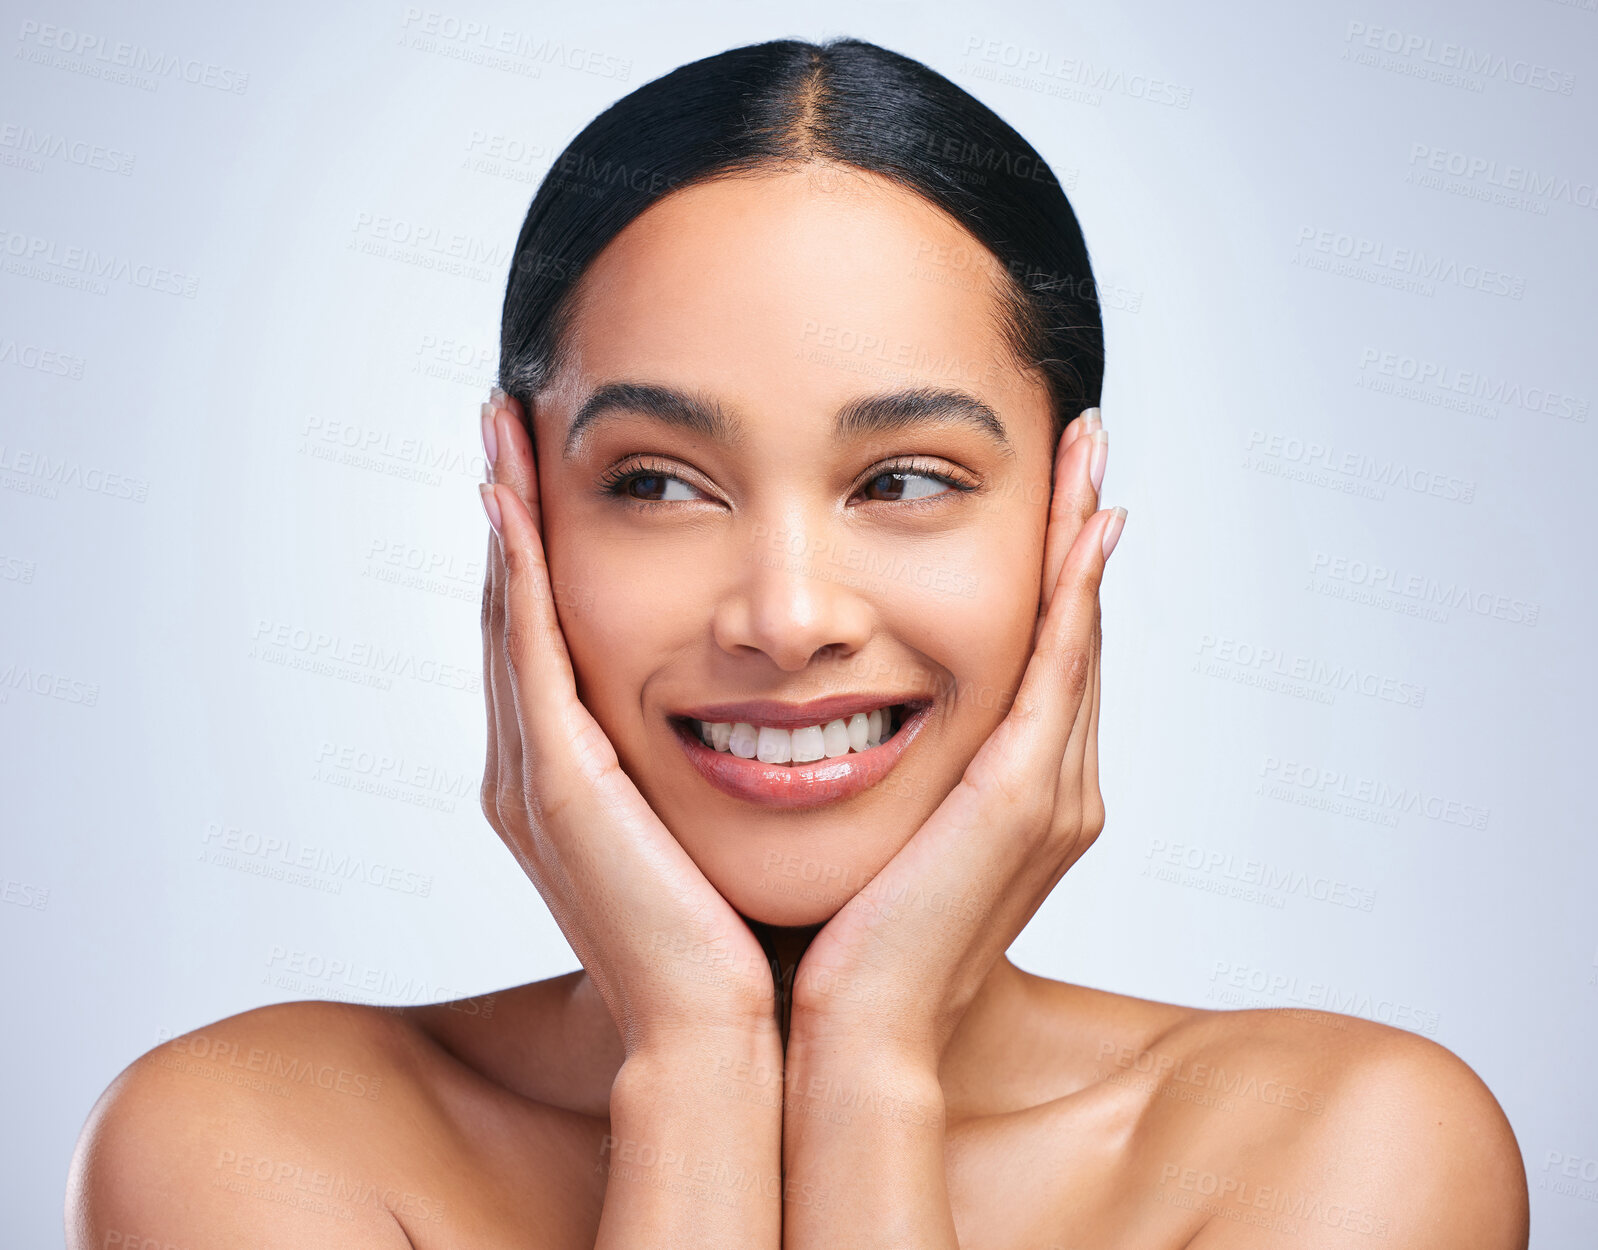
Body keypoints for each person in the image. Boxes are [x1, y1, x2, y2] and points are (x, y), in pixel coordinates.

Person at [66, 37, 1528, 1249]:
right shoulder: (252, 1146)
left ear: (1064, 522)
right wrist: (697, 1068)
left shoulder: (1340, 1155)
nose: (785, 616)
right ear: (522, 519)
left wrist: (870, 1063)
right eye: (654, 482)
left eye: (903, 480)